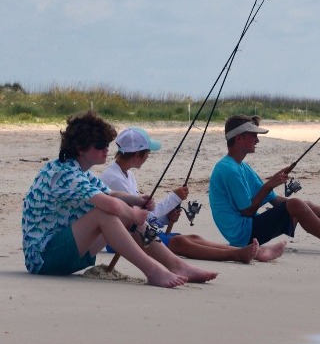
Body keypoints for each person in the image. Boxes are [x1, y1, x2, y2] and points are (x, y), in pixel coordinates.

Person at [21, 110, 218, 288]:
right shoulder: (65, 174)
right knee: (105, 214)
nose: (106, 150)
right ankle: (153, 271)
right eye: (100, 146)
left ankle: (177, 265)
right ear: (80, 148)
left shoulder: (77, 169)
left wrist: (137, 200)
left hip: (66, 254)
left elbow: (111, 194)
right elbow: (112, 204)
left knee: (119, 212)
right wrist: (133, 214)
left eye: (107, 144)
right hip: (44, 258)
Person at [209, 115, 320, 257]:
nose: (257, 140)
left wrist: (309, 206)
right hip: (241, 235)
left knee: (301, 205)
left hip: (248, 227)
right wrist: (269, 185)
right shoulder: (228, 169)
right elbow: (246, 211)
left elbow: (274, 201)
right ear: (240, 138)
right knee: (295, 205)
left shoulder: (242, 166)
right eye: (254, 135)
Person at [101, 127, 285, 264]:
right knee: (181, 242)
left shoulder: (126, 174)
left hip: (138, 233)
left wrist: (166, 218)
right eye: (148, 152)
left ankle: (246, 251)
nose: (148, 156)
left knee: (192, 238)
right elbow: (141, 216)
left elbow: (144, 217)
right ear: (138, 154)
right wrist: (173, 198)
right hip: (121, 239)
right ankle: (237, 254)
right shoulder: (114, 179)